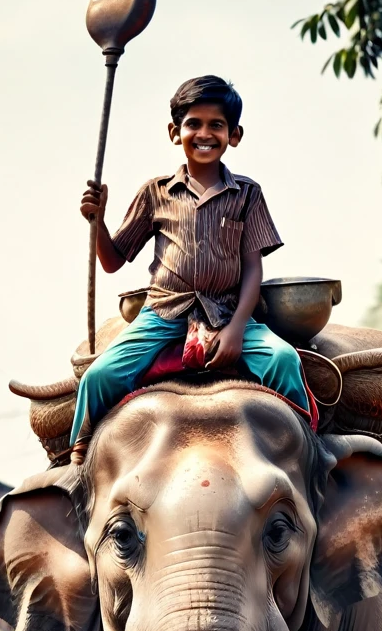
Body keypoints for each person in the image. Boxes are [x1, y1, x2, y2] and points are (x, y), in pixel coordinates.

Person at [71, 75, 310, 445]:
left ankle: (305, 450)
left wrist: (235, 330)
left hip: (230, 314)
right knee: (98, 377)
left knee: (283, 361)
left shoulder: (247, 195)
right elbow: (113, 260)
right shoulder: (155, 192)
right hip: (163, 313)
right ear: (174, 131)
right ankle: (78, 459)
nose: (204, 133)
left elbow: (252, 270)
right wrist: (97, 220)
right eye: (193, 124)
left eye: (216, 125)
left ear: (234, 134)